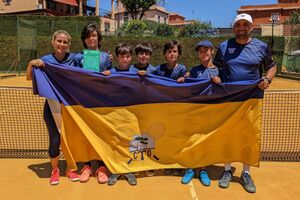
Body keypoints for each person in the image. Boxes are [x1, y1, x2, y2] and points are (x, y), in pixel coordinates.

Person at [213, 13, 277, 193]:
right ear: (234, 28)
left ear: (251, 27)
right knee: (228, 135)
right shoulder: (224, 46)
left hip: (251, 100)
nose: (241, 28)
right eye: (238, 25)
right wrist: (216, 75)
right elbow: (216, 67)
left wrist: (268, 79)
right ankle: (227, 170)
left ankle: (246, 173)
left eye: (245, 25)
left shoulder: (261, 47)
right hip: (229, 100)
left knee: (248, 136)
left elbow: (272, 66)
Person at [26, 30, 80, 185]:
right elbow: (29, 77)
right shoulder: (45, 60)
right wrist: (31, 63)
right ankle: (55, 169)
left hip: (71, 107)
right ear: (53, 41)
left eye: (65, 42)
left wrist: (106, 58)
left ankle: (71, 168)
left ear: (69, 45)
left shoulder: (74, 59)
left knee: (71, 139)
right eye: (59, 41)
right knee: (55, 140)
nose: (61, 44)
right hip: (51, 107)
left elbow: (89, 62)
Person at [181, 40, 220, 186]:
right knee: (192, 140)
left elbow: (227, 87)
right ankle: (190, 169)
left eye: (206, 50)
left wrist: (220, 81)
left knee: (205, 142)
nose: (203, 53)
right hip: (195, 112)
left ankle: (203, 170)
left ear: (212, 51)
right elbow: (189, 87)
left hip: (211, 113)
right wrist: (183, 79)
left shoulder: (219, 70)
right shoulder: (194, 70)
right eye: (201, 51)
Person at [75, 23, 111, 184]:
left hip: (103, 102)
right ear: (84, 39)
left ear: (98, 38)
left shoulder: (105, 57)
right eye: (89, 36)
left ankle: (102, 166)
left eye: (94, 35)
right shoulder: (77, 57)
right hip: (83, 102)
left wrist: (110, 72)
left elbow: (113, 77)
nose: (92, 38)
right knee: (86, 134)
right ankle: (88, 165)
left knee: (102, 133)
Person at [103, 42, 137, 186]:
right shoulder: (110, 72)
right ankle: (115, 170)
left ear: (131, 58)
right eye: (122, 56)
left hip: (131, 115)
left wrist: (144, 76)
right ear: (117, 57)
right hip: (114, 115)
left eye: (128, 56)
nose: (125, 59)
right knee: (115, 142)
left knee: (131, 141)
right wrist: (105, 75)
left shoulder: (137, 73)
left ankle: (129, 169)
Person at [152, 40, 187, 176]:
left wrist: (186, 78)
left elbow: (188, 83)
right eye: (169, 51)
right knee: (164, 136)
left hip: (178, 109)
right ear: (165, 54)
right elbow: (149, 78)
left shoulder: (182, 69)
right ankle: (167, 162)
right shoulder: (159, 69)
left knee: (177, 136)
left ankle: (177, 163)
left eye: (174, 51)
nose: (171, 54)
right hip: (163, 109)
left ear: (178, 54)